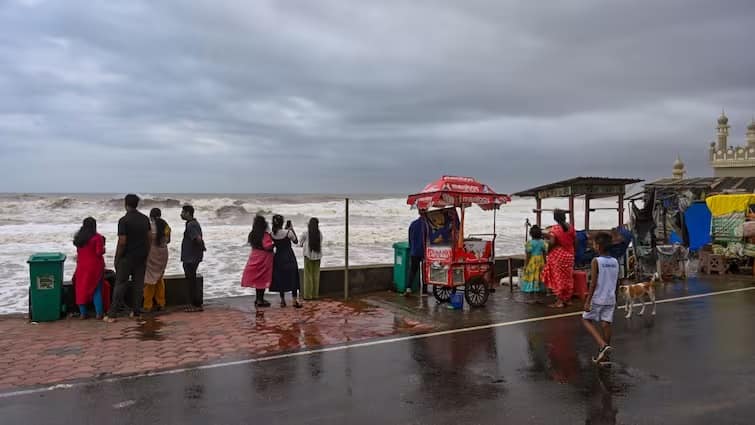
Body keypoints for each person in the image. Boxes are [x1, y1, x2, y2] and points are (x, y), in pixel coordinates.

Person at [104, 194, 152, 322]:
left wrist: (117, 257)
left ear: (126, 204)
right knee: (138, 285)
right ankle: (136, 312)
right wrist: (146, 253)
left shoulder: (123, 220)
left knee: (120, 284)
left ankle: (112, 314)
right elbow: (149, 238)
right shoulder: (145, 219)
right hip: (141, 257)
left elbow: (122, 241)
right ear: (137, 204)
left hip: (127, 257)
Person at [582, 232, 619, 364]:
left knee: (586, 320)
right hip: (610, 298)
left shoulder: (596, 261)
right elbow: (616, 281)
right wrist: (617, 298)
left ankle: (602, 345)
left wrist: (587, 301)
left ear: (598, 246)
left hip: (598, 297)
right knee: (606, 324)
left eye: (594, 244)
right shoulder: (615, 261)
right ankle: (605, 356)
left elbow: (593, 283)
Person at [541, 209, 577, 308]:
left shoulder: (555, 229)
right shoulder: (571, 227)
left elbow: (552, 242)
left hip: (558, 256)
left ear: (555, 218)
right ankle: (567, 299)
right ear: (564, 217)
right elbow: (575, 241)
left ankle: (559, 301)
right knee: (568, 278)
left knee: (558, 279)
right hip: (570, 255)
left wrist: (548, 251)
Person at [72, 217, 106, 319]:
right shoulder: (97, 237)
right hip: (95, 267)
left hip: (82, 266)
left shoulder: (79, 238)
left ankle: (83, 314)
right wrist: (104, 249)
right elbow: (99, 252)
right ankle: (99, 313)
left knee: (81, 289)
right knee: (96, 289)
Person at [241, 215, 274, 308]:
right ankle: (260, 300)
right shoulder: (265, 234)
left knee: (258, 280)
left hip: (254, 256)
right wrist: (274, 243)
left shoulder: (252, 234)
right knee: (262, 279)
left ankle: (258, 298)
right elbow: (268, 246)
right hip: (264, 258)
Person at [270, 214, 301, 308]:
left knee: (281, 278)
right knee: (293, 277)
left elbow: (272, 245)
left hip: (278, 257)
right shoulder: (288, 233)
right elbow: (296, 241)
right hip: (289, 257)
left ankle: (283, 300)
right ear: (282, 222)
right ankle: (295, 301)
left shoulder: (272, 234)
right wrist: (291, 229)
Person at [143, 208, 171, 313]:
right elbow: (168, 241)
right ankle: (161, 303)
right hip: (163, 253)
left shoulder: (149, 226)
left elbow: (147, 240)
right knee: (159, 277)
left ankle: (147, 305)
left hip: (152, 254)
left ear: (151, 216)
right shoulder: (166, 226)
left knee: (149, 279)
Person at [181, 205, 205, 312]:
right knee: (192, 279)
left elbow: (198, 239)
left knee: (191, 280)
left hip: (191, 257)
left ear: (188, 213)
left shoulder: (191, 225)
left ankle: (195, 305)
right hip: (191, 256)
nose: (181, 214)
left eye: (183, 212)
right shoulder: (192, 223)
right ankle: (196, 304)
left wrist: (200, 248)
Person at [299, 217, 323, 300]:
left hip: (308, 257)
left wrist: (303, 244)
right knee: (316, 275)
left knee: (308, 276)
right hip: (318, 257)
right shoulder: (319, 234)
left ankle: (308, 296)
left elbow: (300, 243)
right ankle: (315, 295)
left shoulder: (305, 233)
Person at [406, 209, 428, 295]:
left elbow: (409, 239)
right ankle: (424, 291)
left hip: (414, 251)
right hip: (424, 251)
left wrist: (412, 248)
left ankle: (408, 288)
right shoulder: (427, 224)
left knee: (413, 270)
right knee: (425, 271)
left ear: (419, 212)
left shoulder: (413, 224)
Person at [520, 225, 547, 294]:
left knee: (531, 275)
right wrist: (545, 263)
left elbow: (528, 256)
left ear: (531, 234)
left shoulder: (529, 243)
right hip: (541, 260)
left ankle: (531, 288)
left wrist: (525, 265)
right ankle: (539, 288)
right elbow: (544, 254)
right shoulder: (543, 242)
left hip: (532, 261)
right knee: (539, 274)